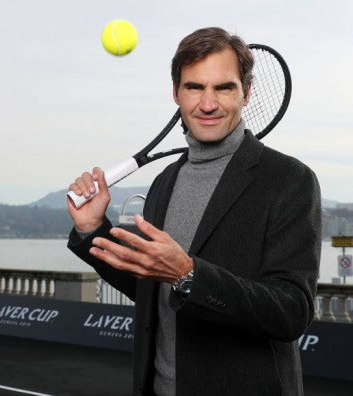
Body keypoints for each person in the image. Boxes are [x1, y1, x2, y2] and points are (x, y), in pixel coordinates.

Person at [67, 27, 321, 396]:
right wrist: (93, 230)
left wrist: (188, 274)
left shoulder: (289, 179)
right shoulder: (165, 181)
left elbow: (291, 312)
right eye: (194, 87)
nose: (207, 103)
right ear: (176, 93)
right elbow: (152, 286)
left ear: (247, 93)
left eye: (224, 87)